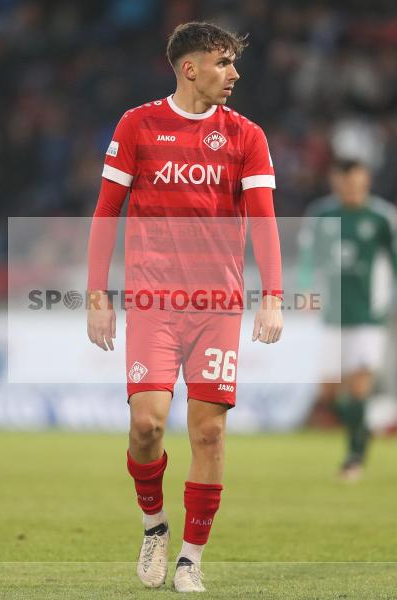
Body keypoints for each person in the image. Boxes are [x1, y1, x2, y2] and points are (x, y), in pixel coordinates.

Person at [86, 22, 284, 593]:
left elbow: (265, 221)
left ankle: (191, 558)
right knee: (146, 425)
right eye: (223, 63)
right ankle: (154, 525)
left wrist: (273, 296)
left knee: (209, 434)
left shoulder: (246, 135)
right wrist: (97, 295)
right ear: (190, 68)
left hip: (217, 306)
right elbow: (106, 212)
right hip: (153, 301)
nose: (234, 73)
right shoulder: (138, 125)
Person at [298, 159, 397, 481]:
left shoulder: (382, 217)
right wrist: (305, 287)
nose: (350, 187)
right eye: (344, 181)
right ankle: (363, 429)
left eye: (356, 181)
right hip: (332, 316)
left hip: (369, 318)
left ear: (366, 181)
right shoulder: (321, 214)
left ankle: (354, 457)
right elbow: (308, 256)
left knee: (358, 387)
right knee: (328, 394)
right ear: (335, 181)